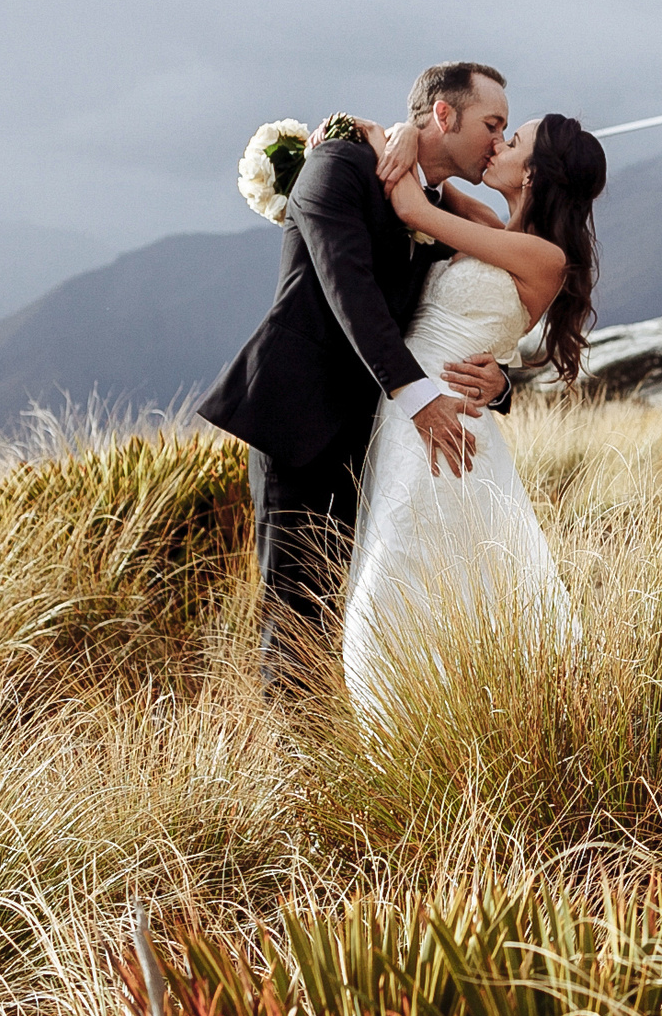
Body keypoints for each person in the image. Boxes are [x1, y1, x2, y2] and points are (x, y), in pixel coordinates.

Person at [198, 62, 517, 694]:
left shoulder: (426, 201)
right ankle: (290, 785)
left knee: (348, 620)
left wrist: (500, 382)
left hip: (373, 443)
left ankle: (335, 766)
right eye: (492, 122)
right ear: (445, 114)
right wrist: (420, 400)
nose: (499, 140)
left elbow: (448, 315)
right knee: (295, 622)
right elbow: (351, 290)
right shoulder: (338, 165)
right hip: (301, 428)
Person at [336, 111, 606, 723]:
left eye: (513, 140)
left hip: (447, 425)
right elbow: (431, 185)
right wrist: (406, 134)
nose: (497, 145)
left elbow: (415, 211)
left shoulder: (543, 257)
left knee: (399, 574)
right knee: (423, 573)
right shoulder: (487, 224)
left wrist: (382, 139)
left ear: (535, 173)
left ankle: (402, 730)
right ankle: (432, 726)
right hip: (407, 414)